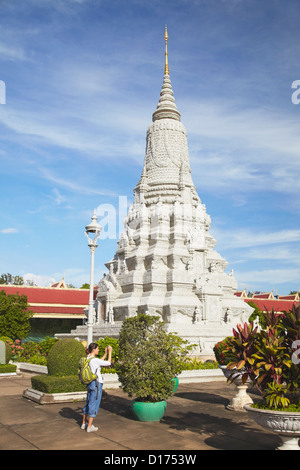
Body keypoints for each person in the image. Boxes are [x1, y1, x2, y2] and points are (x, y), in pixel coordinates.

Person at [81, 342, 112, 433]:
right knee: (94, 403)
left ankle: (84, 424)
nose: (98, 350)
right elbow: (108, 363)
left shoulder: (88, 358)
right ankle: (90, 426)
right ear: (94, 349)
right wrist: (110, 352)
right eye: (97, 348)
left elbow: (100, 362)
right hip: (96, 383)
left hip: (90, 383)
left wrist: (105, 353)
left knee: (88, 402)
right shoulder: (94, 360)